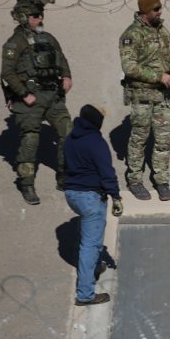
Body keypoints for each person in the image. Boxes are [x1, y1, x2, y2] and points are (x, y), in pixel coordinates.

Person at [1, 0, 72, 205]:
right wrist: (24, 94)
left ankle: (64, 176)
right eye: (35, 16)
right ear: (24, 18)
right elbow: (8, 73)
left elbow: (62, 58)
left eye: (41, 15)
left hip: (53, 95)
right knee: (31, 140)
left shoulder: (48, 38)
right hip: (30, 97)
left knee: (68, 133)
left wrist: (67, 76)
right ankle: (27, 184)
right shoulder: (15, 43)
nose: (40, 19)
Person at [119, 0, 170, 201]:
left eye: (160, 8)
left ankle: (161, 180)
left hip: (164, 97)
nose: (160, 11)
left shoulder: (162, 30)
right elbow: (129, 67)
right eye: (156, 9)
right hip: (142, 97)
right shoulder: (131, 35)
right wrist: (158, 76)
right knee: (139, 139)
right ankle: (135, 180)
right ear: (145, 11)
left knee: (164, 141)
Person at [64, 104, 123, 306]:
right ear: (97, 122)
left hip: (72, 194)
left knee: (94, 235)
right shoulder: (96, 142)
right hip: (90, 197)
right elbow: (107, 173)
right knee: (89, 244)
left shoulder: (71, 138)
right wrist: (116, 197)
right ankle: (85, 295)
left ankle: (96, 265)